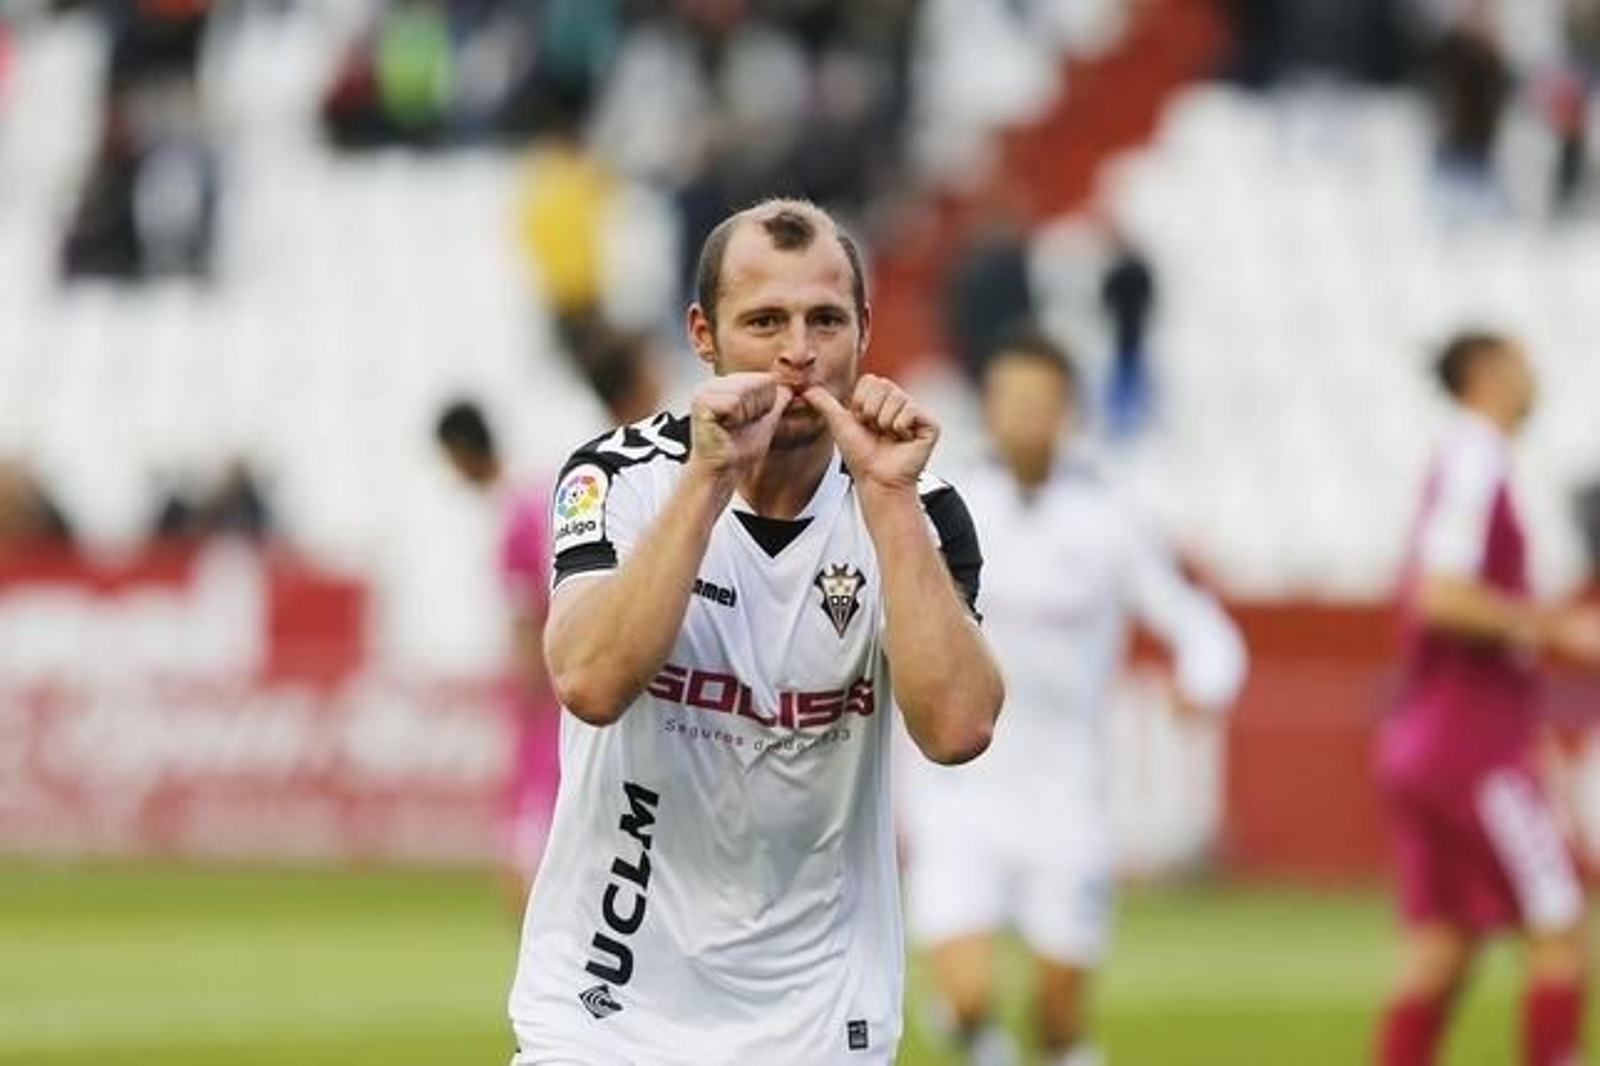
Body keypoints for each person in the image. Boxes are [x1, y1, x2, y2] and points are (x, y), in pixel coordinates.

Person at [506, 197, 1005, 1065]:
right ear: (704, 335)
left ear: (864, 330)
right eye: (764, 320)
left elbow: (959, 727)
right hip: (604, 1011)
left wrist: (885, 499)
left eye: (825, 320)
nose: (799, 353)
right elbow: (588, 680)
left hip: (820, 1021)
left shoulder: (917, 507)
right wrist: (708, 480)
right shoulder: (617, 477)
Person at [900, 331, 1247, 1066]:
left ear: (1069, 414)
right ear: (987, 411)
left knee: (1058, 1018)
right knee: (966, 996)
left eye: (1041, 402)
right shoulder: (942, 507)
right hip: (958, 793)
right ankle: (973, 1030)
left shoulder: (1109, 520)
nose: (1025, 417)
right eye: (1010, 401)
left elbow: (1202, 627)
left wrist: (1202, 681)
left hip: (1069, 798)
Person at [1375, 330, 1600, 1066]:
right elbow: (1440, 596)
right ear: (1487, 372)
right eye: (1524, 363)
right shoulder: (1476, 454)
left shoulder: (1462, 457)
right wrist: (1555, 626)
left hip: (1426, 738)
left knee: (1444, 944)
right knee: (1560, 922)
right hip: (1471, 743)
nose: (1535, 376)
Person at [435, 399, 561, 909]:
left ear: (462, 452)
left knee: (528, 843)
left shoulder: (515, 514)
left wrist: (528, 697)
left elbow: (526, 619)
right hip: (573, 688)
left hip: (547, 703)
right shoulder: (541, 494)